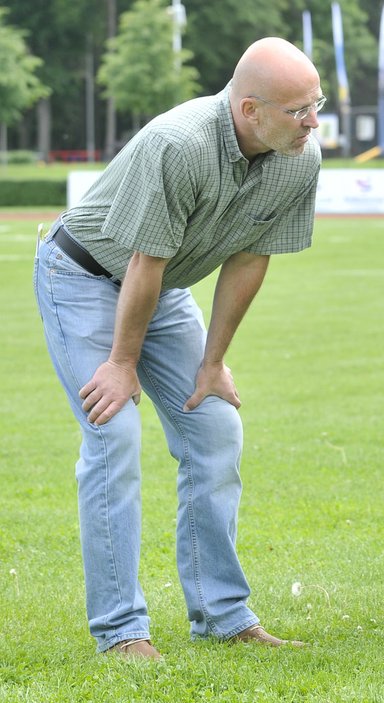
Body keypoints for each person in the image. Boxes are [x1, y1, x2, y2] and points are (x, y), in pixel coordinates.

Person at [33, 37, 324, 659]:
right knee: (113, 436)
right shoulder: (181, 142)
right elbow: (145, 260)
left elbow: (249, 257)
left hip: (159, 291)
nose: (314, 122)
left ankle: (222, 615)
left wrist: (212, 363)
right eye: (299, 109)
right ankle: (121, 633)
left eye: (316, 104)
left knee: (215, 428)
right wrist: (121, 364)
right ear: (250, 109)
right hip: (84, 276)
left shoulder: (300, 156)